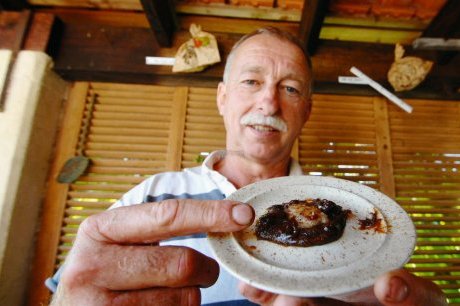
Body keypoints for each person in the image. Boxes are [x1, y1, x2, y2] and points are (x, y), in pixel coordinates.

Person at [49, 27, 447, 306]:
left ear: (305, 111)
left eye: (290, 89)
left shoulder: (352, 211)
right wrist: (67, 300)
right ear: (222, 97)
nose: (269, 103)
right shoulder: (150, 195)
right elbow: (64, 291)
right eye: (252, 82)